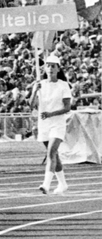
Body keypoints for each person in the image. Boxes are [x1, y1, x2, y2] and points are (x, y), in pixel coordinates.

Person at [29, 54, 72, 195]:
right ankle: (63, 183)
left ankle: (46, 184)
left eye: (53, 66)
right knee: (54, 155)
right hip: (44, 124)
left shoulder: (63, 85)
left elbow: (67, 108)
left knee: (51, 153)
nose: (50, 68)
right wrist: (34, 90)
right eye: (48, 66)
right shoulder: (41, 84)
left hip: (57, 123)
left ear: (58, 68)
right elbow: (31, 105)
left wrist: (50, 114)